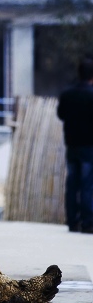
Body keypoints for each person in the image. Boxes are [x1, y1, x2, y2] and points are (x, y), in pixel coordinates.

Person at [57, 58, 93, 233]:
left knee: (72, 184)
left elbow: (61, 115)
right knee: (87, 185)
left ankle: (72, 221)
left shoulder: (67, 94)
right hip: (89, 146)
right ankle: (87, 223)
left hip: (71, 145)